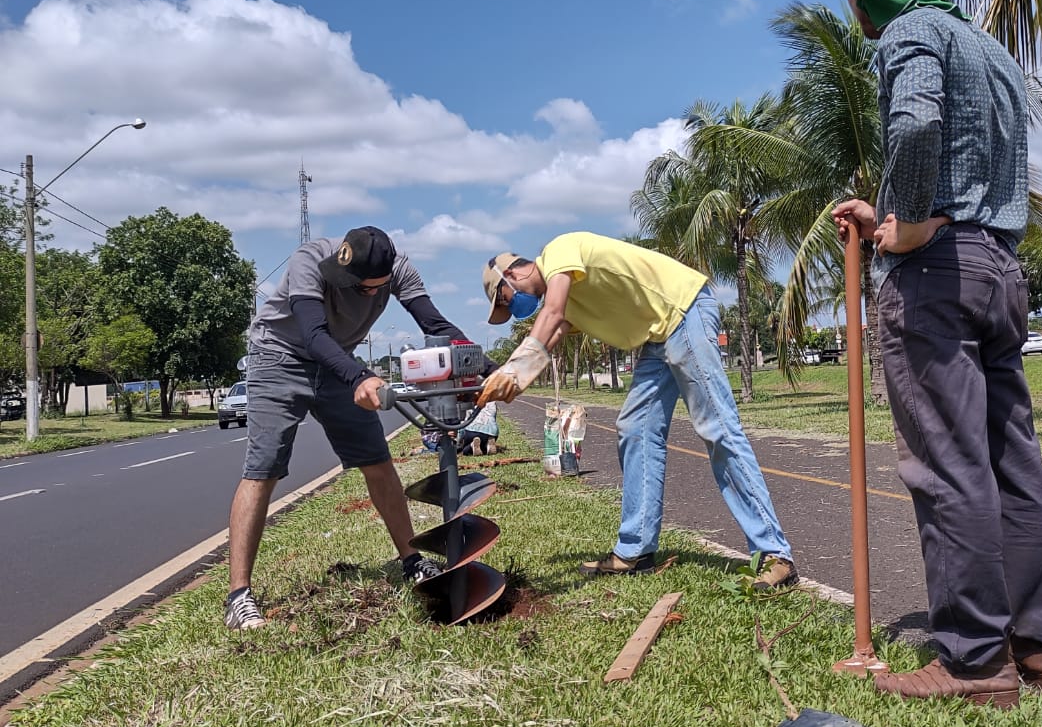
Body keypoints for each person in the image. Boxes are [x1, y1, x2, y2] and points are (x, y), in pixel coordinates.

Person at [824, 0, 1042, 707]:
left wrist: (911, 221)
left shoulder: (906, 33)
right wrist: (899, 216)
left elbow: (918, 121)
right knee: (1013, 462)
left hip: (938, 273)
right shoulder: (988, 48)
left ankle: (972, 660)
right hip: (999, 264)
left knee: (947, 465)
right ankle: (1038, 649)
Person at [476, 236, 797, 589]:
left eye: (508, 301)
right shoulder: (566, 302)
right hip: (657, 337)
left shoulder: (557, 251)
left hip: (684, 311)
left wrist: (516, 371)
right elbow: (554, 330)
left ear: (512, 274)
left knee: (717, 427)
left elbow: (551, 313)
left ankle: (774, 554)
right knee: (634, 427)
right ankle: (635, 551)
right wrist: (511, 376)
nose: (519, 309)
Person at [225, 226, 477, 631]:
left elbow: (433, 322)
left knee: (377, 460)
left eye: (365, 288)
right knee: (264, 468)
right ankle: (239, 596)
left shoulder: (400, 270)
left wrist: (481, 364)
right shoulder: (309, 260)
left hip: (339, 359)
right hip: (279, 357)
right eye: (349, 283)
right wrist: (359, 376)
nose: (356, 292)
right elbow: (313, 333)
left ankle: (411, 560)